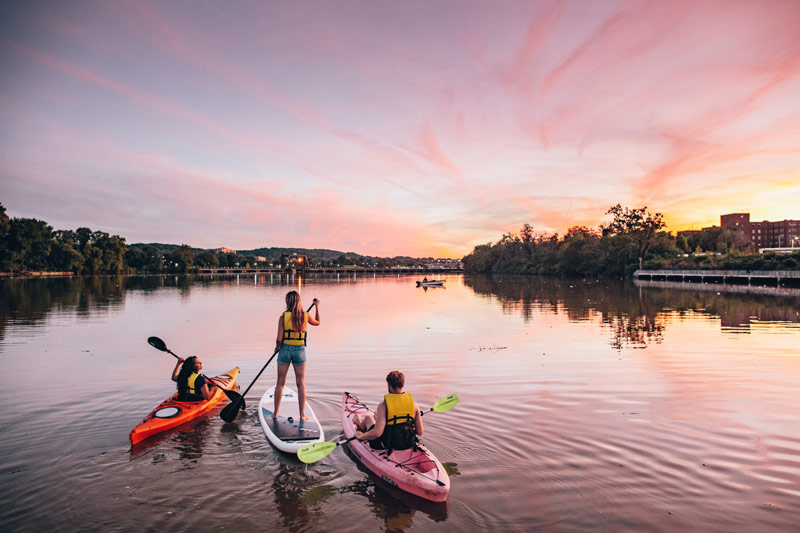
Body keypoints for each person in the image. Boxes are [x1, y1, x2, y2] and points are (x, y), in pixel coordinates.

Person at [273, 290, 320, 420]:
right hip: (299, 351)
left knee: (280, 383)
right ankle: (302, 414)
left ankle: (275, 413)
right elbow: (317, 322)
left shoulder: (283, 317)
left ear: (287, 302)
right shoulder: (305, 316)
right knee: (301, 384)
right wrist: (317, 306)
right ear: (299, 301)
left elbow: (279, 338)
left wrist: (277, 348)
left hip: (285, 350)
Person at [353, 370, 424, 451]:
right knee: (377, 418)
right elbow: (420, 432)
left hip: (386, 444)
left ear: (389, 386)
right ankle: (375, 418)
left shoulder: (383, 406)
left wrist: (361, 436)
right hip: (407, 443)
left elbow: (377, 434)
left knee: (368, 418)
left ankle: (358, 421)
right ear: (403, 385)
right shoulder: (414, 405)